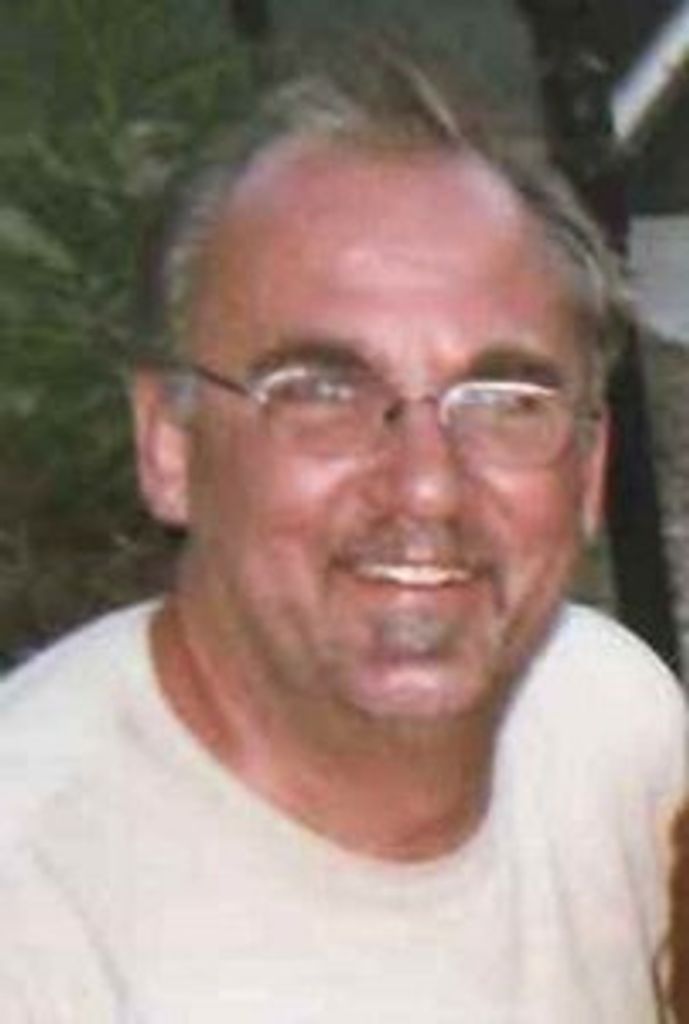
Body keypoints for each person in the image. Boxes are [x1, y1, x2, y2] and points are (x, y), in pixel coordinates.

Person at [0, 49, 686, 1022]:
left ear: (587, 466)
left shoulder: (608, 725)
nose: (425, 485)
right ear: (169, 444)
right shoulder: (39, 918)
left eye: (503, 400)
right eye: (321, 392)